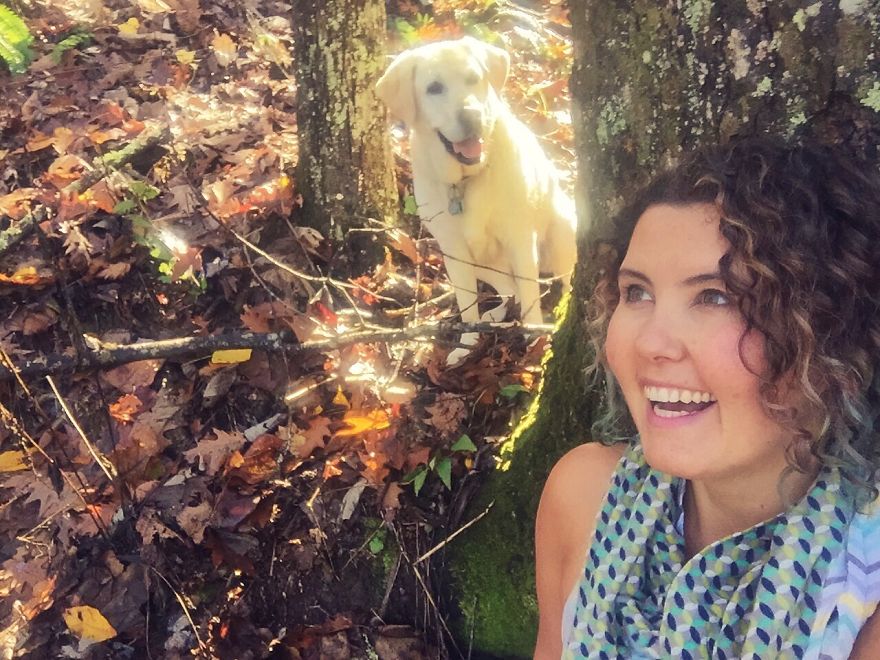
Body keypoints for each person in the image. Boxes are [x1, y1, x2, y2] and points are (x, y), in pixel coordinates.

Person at [535, 136, 880, 659]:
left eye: (715, 297)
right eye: (637, 293)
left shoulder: (863, 590)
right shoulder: (584, 498)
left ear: (836, 335)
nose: (650, 342)